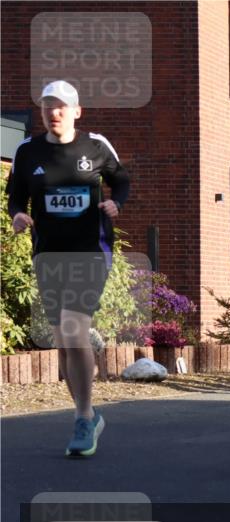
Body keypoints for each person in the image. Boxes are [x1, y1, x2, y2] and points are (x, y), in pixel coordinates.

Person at [7, 80, 130, 457]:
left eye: (60, 106)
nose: (53, 112)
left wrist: (115, 204)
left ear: (77, 111)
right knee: (64, 340)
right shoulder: (27, 150)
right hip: (48, 254)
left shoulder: (95, 145)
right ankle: (87, 416)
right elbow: (15, 195)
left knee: (75, 329)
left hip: (90, 250)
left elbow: (120, 180)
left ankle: (83, 415)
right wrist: (17, 215)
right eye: (46, 106)